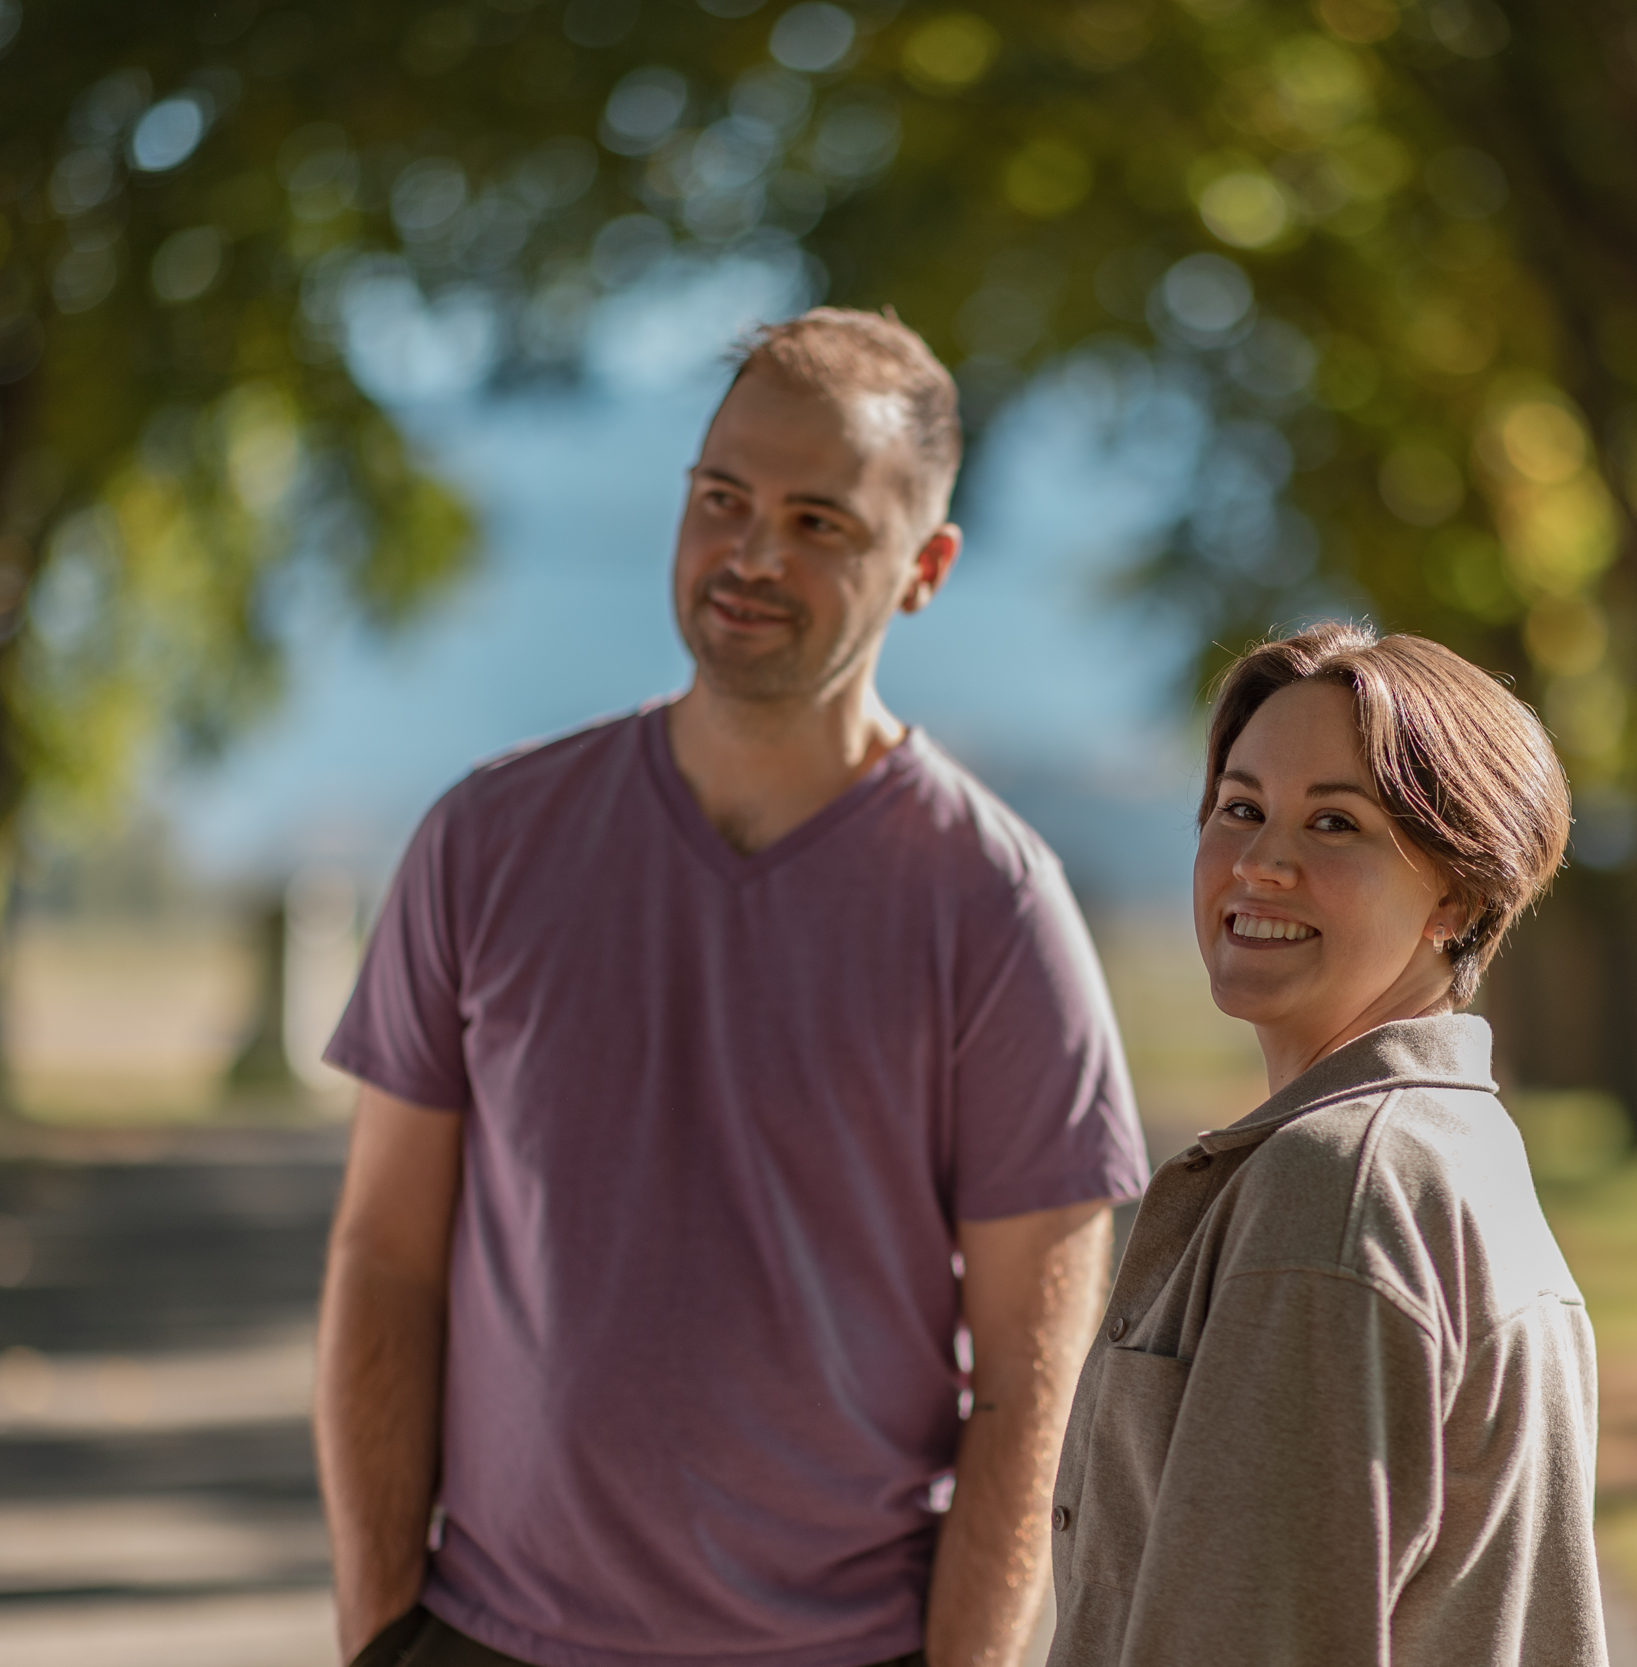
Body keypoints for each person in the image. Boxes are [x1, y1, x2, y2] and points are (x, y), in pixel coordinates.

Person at [314, 308, 1149, 1667]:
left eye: (822, 520)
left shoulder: (995, 908)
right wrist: (379, 1632)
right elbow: (385, 1258)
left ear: (925, 567)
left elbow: (1032, 1384)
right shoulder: (487, 842)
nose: (754, 553)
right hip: (487, 1637)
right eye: (724, 498)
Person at [1044, 622, 1606, 1666]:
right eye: (1240, 808)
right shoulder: (1458, 1148)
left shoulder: (1337, 1186)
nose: (1260, 861)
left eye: (1335, 822)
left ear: (1458, 894)